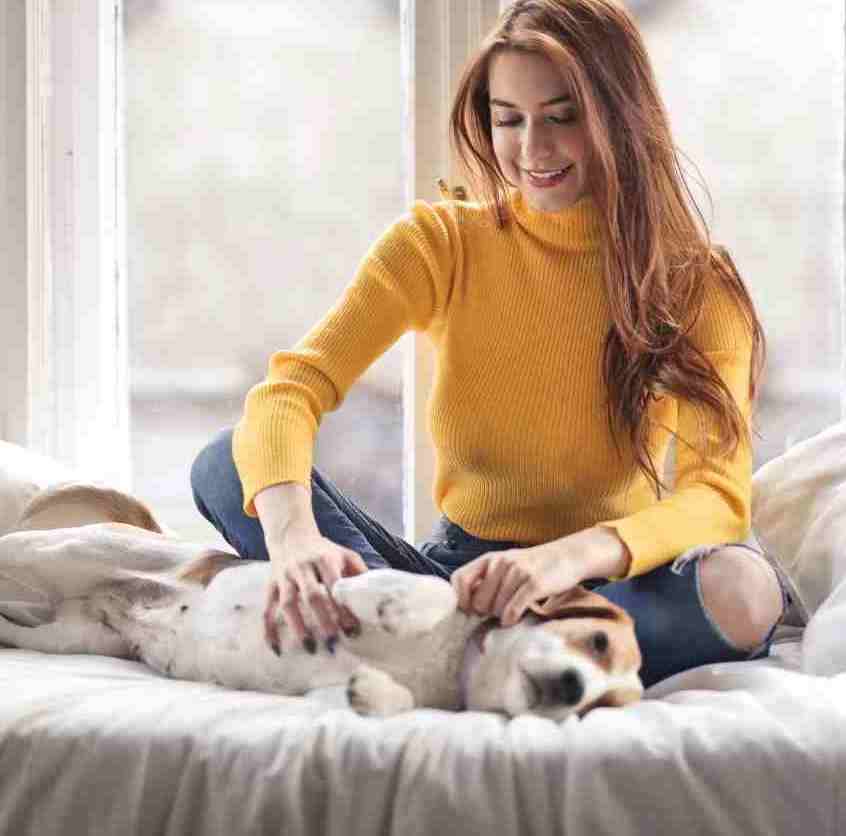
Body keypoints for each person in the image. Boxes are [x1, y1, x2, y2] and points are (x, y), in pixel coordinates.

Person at [190, 0, 791, 688]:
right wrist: (296, 541)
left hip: (594, 590)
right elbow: (288, 394)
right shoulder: (440, 244)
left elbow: (716, 497)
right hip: (449, 582)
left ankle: (431, 653)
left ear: (621, 117)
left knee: (746, 589)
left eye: (562, 117)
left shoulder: (696, 282)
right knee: (227, 463)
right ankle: (475, 652)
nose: (532, 150)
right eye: (510, 120)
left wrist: (564, 560)